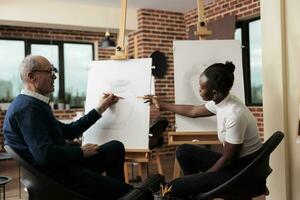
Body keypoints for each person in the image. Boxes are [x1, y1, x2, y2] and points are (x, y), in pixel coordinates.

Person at [3, 55, 133, 200]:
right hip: (60, 177)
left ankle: (115, 195)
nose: (55, 77)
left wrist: (101, 108)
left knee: (115, 147)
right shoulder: (28, 109)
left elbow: (69, 131)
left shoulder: (33, 104)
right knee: (133, 193)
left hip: (63, 165)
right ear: (32, 77)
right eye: (50, 72)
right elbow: (45, 156)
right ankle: (119, 194)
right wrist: (80, 152)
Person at [144, 62, 264, 199]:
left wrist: (200, 179)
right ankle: (195, 193)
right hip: (236, 164)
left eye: (201, 88)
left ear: (214, 92)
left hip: (243, 173)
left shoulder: (234, 114)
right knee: (184, 151)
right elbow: (193, 111)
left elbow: (228, 160)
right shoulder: (222, 100)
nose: (199, 90)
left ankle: (194, 190)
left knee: (176, 186)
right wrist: (162, 105)